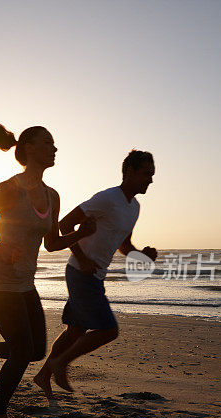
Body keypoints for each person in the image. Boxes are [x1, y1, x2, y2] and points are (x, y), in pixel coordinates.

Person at [0, 108, 96, 418]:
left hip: (24, 284)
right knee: (21, 350)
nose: (55, 148)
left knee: (34, 350)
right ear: (30, 148)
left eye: (55, 144)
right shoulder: (8, 189)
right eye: (49, 142)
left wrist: (81, 233)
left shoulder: (52, 196)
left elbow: (51, 243)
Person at [33, 149, 158, 397]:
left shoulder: (134, 208)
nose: (151, 180)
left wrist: (142, 256)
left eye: (152, 175)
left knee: (75, 332)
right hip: (81, 272)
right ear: (129, 172)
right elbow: (65, 224)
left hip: (94, 275)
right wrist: (82, 257)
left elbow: (124, 245)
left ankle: (43, 376)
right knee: (109, 331)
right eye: (146, 174)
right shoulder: (107, 198)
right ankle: (60, 363)